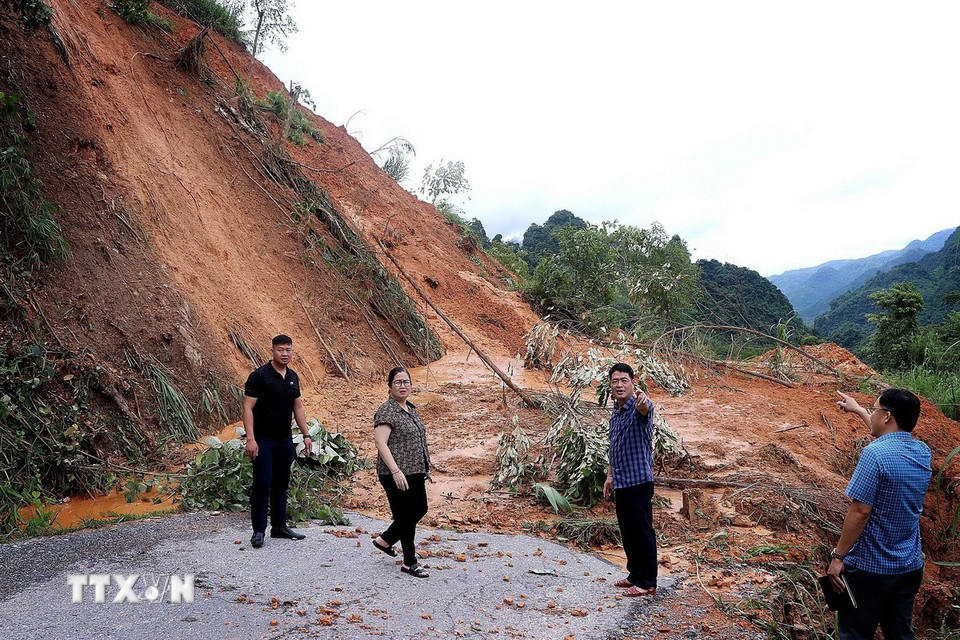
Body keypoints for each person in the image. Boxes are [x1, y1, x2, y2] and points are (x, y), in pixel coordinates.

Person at [829, 389, 932, 640]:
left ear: (886, 417)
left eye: (874, 409)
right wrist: (859, 411)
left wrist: (838, 557)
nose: (871, 414)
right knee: (899, 632)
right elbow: (889, 443)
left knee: (854, 633)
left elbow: (860, 512)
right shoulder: (922, 452)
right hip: (908, 567)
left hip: (869, 570)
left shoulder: (874, 455)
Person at [243, 334, 313, 549]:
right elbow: (247, 408)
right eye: (280, 350)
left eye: (288, 350)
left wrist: (306, 435)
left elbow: (298, 407)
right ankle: (258, 531)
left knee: (281, 483)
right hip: (263, 440)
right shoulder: (259, 376)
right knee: (262, 483)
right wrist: (251, 439)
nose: (285, 354)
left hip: (284, 439)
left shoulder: (293, 377)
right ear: (272, 351)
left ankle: (280, 526)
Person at [370, 366, 432, 578]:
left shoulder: (410, 408)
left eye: (406, 382)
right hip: (396, 473)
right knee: (406, 515)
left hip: (414, 470)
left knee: (420, 508)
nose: (403, 386)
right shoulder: (387, 411)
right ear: (389, 386)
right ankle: (409, 562)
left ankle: (385, 540)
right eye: (398, 382)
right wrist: (395, 471)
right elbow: (381, 442)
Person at [603, 362, 658, 597]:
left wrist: (643, 403)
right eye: (615, 381)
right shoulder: (615, 414)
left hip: (638, 481)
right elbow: (614, 448)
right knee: (628, 531)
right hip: (622, 481)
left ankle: (647, 582)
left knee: (642, 531)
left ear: (632, 382)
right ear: (610, 385)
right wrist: (609, 475)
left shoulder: (639, 407)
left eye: (624, 380)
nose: (619, 385)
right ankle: (635, 574)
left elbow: (645, 410)